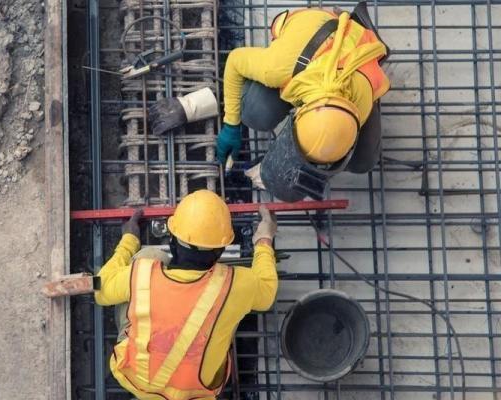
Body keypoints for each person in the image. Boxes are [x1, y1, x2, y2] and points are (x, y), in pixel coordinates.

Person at [149, 2, 390, 201]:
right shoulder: (279, 67)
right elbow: (234, 62)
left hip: (356, 57)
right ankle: (350, 20)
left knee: (364, 161)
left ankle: (362, 29)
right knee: (254, 113)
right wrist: (231, 123)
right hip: (311, 36)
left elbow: (328, 143)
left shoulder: (363, 98)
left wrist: (278, 171)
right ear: (298, 113)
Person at [94, 190, 278, 399]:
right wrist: (264, 239)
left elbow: (100, 290)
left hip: (136, 380)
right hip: (195, 394)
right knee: (230, 305)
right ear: (220, 251)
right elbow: (267, 292)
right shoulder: (236, 284)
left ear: (172, 241)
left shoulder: (141, 274)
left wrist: (129, 239)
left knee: (149, 255)